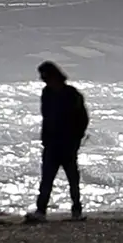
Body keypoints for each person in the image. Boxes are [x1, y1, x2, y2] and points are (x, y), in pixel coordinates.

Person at [28, 59, 88, 220]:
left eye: (45, 76)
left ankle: (76, 210)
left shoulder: (72, 94)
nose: (43, 79)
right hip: (52, 143)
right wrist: (46, 138)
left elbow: (82, 118)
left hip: (68, 143)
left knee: (72, 179)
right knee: (46, 179)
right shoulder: (46, 93)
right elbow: (46, 118)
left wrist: (76, 138)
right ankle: (41, 210)